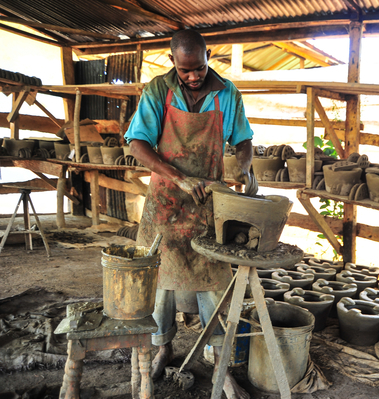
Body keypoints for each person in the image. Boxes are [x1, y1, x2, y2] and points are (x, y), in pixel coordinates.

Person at [125, 29, 255, 399]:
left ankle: (220, 365)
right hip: (166, 201)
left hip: (207, 205)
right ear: (172, 63)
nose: (194, 76)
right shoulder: (157, 90)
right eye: (186, 71)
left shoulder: (226, 93)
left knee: (214, 284)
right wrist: (178, 178)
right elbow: (137, 143)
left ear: (207, 56)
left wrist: (243, 168)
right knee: (161, 284)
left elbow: (243, 138)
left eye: (198, 68)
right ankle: (163, 346)